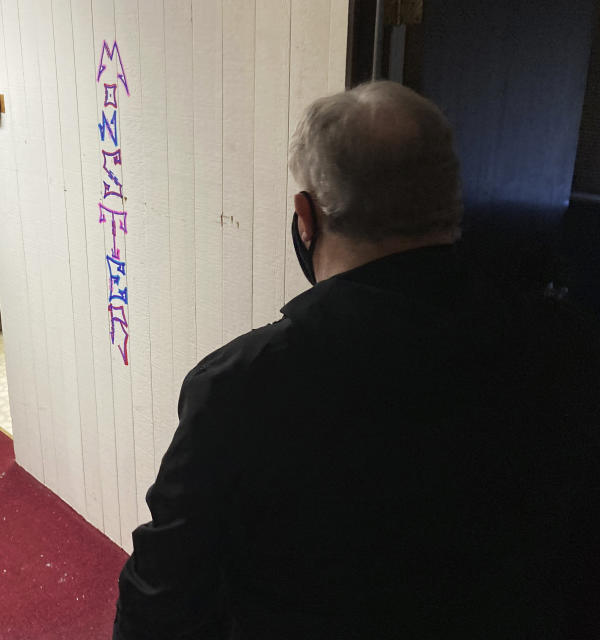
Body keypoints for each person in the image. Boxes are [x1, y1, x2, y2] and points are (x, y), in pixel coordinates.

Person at [114, 81, 600, 638]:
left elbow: (162, 594)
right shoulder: (568, 343)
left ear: (305, 215)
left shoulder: (239, 386)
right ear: (450, 206)